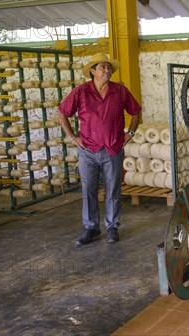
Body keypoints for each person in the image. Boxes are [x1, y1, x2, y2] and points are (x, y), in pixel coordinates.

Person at [58, 52, 141, 247]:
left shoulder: (120, 91)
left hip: (112, 148)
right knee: (89, 189)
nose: (107, 70)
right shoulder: (81, 92)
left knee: (113, 189)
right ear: (93, 71)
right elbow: (62, 112)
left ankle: (112, 227)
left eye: (108, 67)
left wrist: (130, 133)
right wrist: (72, 137)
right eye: (103, 67)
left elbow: (136, 111)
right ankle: (91, 228)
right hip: (87, 150)